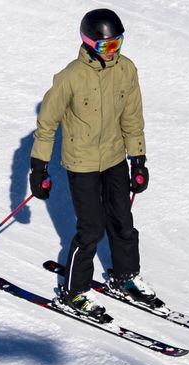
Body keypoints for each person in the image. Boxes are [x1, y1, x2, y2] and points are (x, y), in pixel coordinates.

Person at [29, 8, 156, 320]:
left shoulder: (126, 70)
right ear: (89, 43)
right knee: (91, 228)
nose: (112, 52)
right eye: (106, 46)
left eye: (117, 44)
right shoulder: (70, 77)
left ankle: (125, 277)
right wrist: (38, 168)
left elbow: (132, 118)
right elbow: (47, 126)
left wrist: (137, 160)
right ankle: (75, 292)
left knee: (122, 222)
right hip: (82, 163)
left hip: (114, 158)